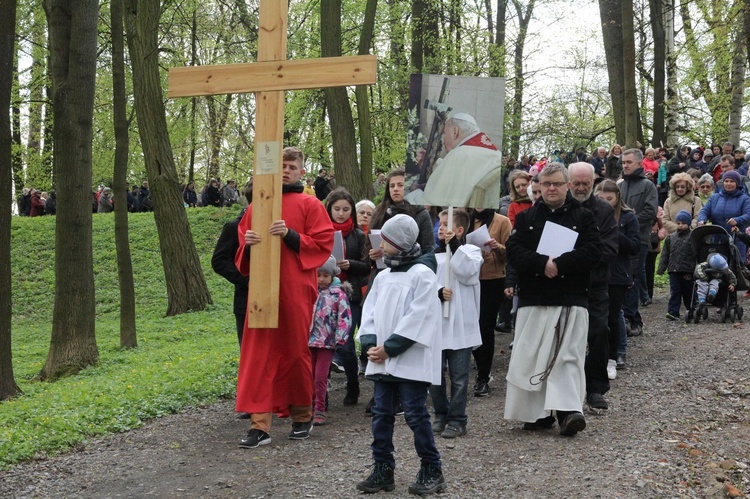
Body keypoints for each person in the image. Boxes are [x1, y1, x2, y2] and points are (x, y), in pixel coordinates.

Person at [235, 146, 334, 449]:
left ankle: (302, 415)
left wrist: (291, 235)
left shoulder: (310, 204)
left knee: (294, 353)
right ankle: (259, 424)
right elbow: (241, 246)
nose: (287, 170)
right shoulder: (256, 207)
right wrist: (249, 244)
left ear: (302, 172)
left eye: (292, 166)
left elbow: (323, 243)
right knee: (258, 355)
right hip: (262, 292)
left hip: (294, 290)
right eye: (282, 166)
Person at [504, 162, 602, 436]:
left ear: (567, 185)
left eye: (557, 184)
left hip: (570, 296)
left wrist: (560, 264)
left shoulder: (584, 217)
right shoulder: (525, 219)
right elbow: (514, 251)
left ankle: (568, 410)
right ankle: (536, 413)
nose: (551, 189)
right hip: (535, 296)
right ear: (539, 187)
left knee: (567, 356)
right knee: (532, 356)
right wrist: (540, 263)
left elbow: (594, 251)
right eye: (546, 184)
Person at [355, 214, 446, 495]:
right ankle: (383, 468)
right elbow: (369, 312)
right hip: (382, 360)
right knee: (382, 413)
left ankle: (432, 468)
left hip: (410, 359)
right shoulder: (383, 276)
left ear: (399, 243)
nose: (381, 243)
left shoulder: (423, 274)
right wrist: (370, 344)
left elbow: (420, 316)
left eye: (386, 239)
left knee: (415, 415)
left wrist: (391, 348)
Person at [568, 162, 618, 411]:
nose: (580, 188)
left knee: (598, 332)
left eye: (585, 183)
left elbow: (609, 248)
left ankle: (596, 388)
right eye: (575, 183)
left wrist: (577, 258)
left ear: (593, 182)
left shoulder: (603, 210)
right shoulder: (559, 208)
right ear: (568, 183)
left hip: (594, 282)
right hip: (563, 282)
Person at [430, 209, 483, 439]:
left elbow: (467, 273)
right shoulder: (432, 256)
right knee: (435, 374)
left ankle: (458, 419)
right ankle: (440, 414)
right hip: (438, 324)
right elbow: (423, 285)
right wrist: (438, 292)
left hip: (461, 324)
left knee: (459, 376)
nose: (440, 228)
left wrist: (457, 246)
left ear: (459, 230)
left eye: (445, 224)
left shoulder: (471, 252)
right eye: (439, 224)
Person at [325, 188, 369, 406]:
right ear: (329, 209)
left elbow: (367, 266)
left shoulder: (359, 235)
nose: (341, 213)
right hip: (324, 295)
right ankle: (321, 388)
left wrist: (350, 264)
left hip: (350, 294)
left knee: (345, 343)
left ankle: (353, 385)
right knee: (323, 343)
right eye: (337, 209)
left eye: (345, 209)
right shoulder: (322, 232)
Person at [595, 180, 640, 377]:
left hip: (618, 273)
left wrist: (614, 231)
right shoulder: (589, 215)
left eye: (609, 199)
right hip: (594, 272)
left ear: (617, 198)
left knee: (613, 316)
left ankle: (613, 357)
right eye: (601, 199)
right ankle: (595, 356)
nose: (605, 202)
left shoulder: (628, 217)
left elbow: (635, 246)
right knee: (594, 317)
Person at [469, 205, 511, 397]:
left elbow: (510, 253)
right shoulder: (466, 218)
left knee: (485, 327)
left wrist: (497, 247)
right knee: (470, 326)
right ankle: (480, 365)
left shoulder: (502, 221)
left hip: (492, 279)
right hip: (468, 279)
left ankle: (483, 377)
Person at [422, 112, 503, 209]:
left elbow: (432, 198)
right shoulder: (496, 154)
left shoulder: (457, 155)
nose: (443, 141)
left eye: (444, 134)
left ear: (455, 132)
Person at [308, 256, 352, 426]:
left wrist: (340, 338)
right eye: (318, 275)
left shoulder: (338, 295)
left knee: (320, 376)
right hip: (309, 340)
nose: (321, 279)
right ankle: (310, 406)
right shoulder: (311, 291)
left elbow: (344, 317)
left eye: (325, 275)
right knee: (309, 375)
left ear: (333, 275)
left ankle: (320, 408)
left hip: (326, 342)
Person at [619, 148, 658, 335]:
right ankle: (628, 317)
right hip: (618, 240)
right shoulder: (619, 185)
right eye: (623, 162)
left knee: (632, 278)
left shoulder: (647, 186)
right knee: (621, 277)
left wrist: (631, 223)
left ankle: (632, 318)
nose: (625, 165)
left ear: (639, 164)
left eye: (628, 162)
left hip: (639, 239)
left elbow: (650, 211)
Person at [211, 181, 253, 348]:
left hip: (277, 302)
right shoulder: (234, 227)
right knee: (249, 354)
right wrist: (246, 279)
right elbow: (218, 261)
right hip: (245, 302)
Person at [698, 170, 750, 259]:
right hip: (717, 240)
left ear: (737, 183)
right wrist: (701, 220)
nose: (728, 184)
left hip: (737, 239)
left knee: (736, 267)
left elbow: (748, 215)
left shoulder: (744, 199)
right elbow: (704, 211)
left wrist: (737, 220)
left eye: (732, 181)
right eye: (726, 181)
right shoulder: (715, 197)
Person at [657, 211, 696, 321]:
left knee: (688, 291)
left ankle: (692, 309)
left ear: (688, 224)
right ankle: (673, 311)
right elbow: (665, 254)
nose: (680, 225)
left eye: (683, 223)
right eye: (678, 223)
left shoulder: (692, 236)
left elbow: (696, 253)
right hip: (674, 269)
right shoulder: (671, 238)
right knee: (675, 291)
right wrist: (661, 268)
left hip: (688, 269)